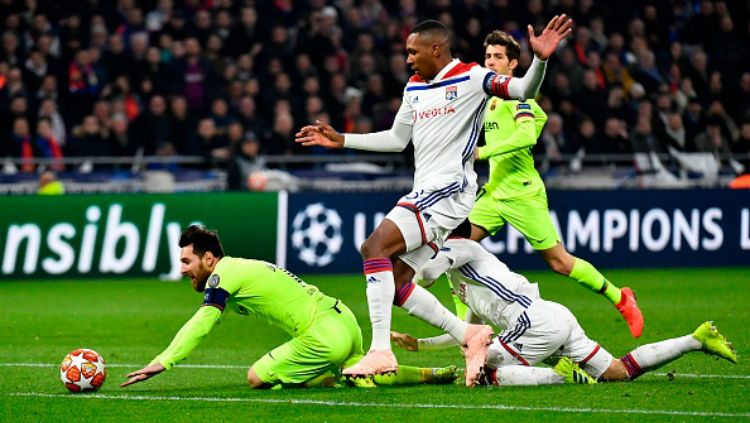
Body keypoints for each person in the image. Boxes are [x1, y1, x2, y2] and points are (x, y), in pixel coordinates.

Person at [295, 16, 572, 385]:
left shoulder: (473, 77)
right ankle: (469, 335)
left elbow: (524, 90)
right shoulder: (414, 88)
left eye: (413, 51)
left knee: (373, 246)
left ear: (436, 49)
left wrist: (541, 60)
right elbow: (397, 139)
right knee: (395, 281)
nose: (408, 59)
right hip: (427, 191)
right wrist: (343, 140)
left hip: (450, 190)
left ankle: (380, 352)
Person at [391, 222, 737, 386]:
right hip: (553, 316)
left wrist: (414, 253)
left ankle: (563, 377)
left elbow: (422, 276)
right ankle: (696, 339)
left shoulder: (462, 247)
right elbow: (465, 332)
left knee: (481, 371)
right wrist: (419, 345)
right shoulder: (462, 279)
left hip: (534, 322)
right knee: (618, 372)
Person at [120, 225, 458, 389]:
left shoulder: (222, 275)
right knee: (360, 372)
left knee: (256, 377)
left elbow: (202, 322)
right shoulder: (240, 268)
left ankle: (326, 377)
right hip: (343, 320)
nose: (182, 270)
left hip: (321, 335)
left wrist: (162, 361)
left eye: (186, 261)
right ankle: (431, 374)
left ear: (209, 259)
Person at [468, 30, 644, 338]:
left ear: (513, 65)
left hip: (522, 193)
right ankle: (468, 336)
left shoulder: (520, 95)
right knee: (454, 248)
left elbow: (527, 136)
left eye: (497, 57)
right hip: (494, 193)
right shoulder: (489, 99)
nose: (490, 62)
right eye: (487, 57)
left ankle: (621, 298)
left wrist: (482, 151)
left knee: (560, 263)